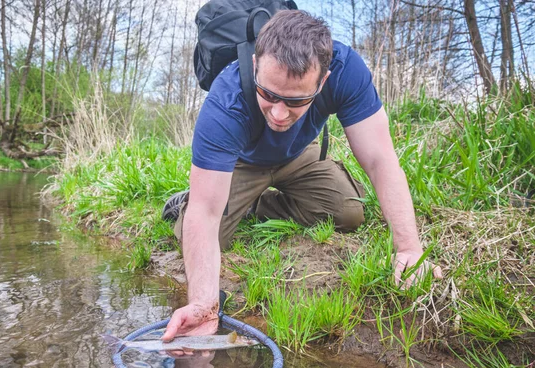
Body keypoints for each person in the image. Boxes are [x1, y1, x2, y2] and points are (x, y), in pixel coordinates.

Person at [161, 10, 442, 342]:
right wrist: (203, 304)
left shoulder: (346, 70)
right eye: (268, 95)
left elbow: (381, 160)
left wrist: (409, 248)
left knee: (348, 211)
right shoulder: (226, 100)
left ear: (322, 80)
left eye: (295, 100)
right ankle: (186, 199)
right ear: (255, 66)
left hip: (298, 153)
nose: (279, 114)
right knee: (204, 232)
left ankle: (255, 204)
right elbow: (205, 216)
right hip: (243, 163)